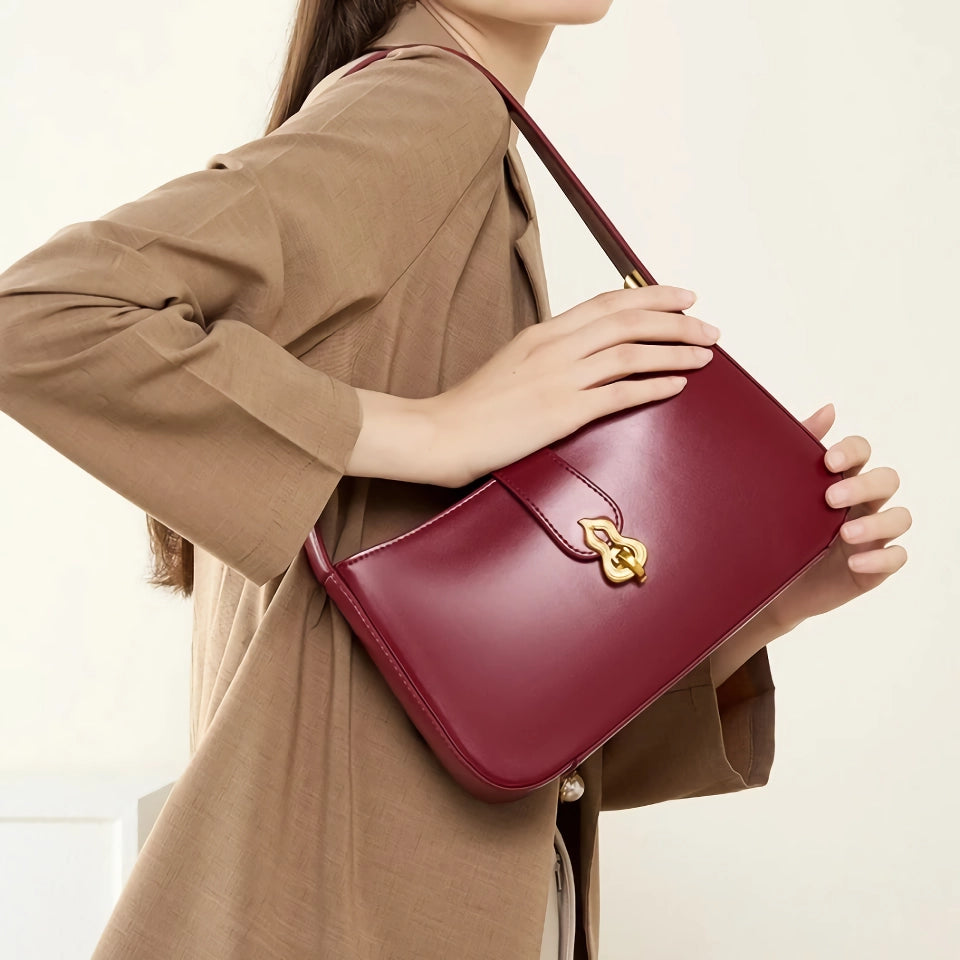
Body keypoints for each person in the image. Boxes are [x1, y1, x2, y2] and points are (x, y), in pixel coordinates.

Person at [0, 2, 911, 958]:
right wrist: (436, 431)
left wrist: (760, 608)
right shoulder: (427, 107)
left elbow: (493, 724)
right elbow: (41, 316)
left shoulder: (465, 134)